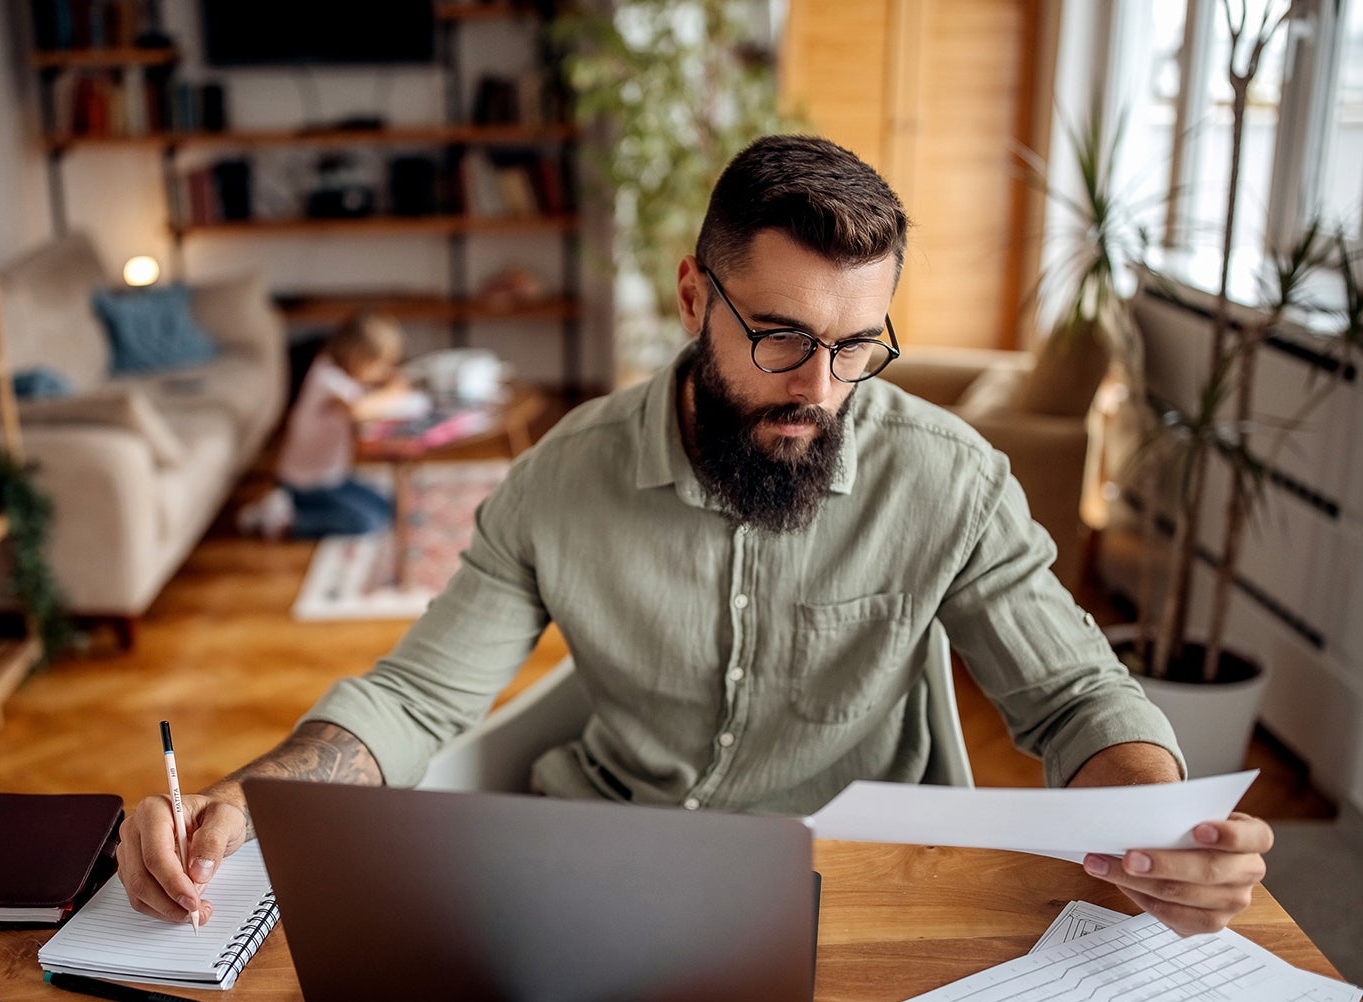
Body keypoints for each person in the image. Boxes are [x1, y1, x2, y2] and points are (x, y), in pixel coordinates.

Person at [121, 135, 1273, 938]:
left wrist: (1167, 828)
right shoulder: (560, 478)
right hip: (596, 880)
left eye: (857, 344)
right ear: (691, 296)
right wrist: (247, 794)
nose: (820, 387)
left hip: (854, 887)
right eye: (776, 335)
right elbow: (418, 700)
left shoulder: (949, 480)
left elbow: (1076, 700)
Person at [242, 311, 413, 540]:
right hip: (306, 482)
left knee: (390, 508)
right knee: (367, 521)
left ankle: (290, 505)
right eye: (378, 366)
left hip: (333, 475)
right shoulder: (327, 379)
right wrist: (393, 391)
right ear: (356, 356)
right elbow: (358, 410)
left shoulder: (340, 374)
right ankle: (282, 519)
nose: (380, 374)